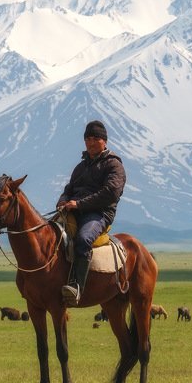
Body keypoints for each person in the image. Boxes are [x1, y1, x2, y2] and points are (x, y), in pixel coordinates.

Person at [56, 120, 126, 306]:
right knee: (50, 234)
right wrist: (63, 201)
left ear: (104, 141)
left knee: (83, 239)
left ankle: (77, 287)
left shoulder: (113, 165)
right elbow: (69, 189)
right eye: (87, 139)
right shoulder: (80, 167)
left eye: (95, 138)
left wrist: (79, 204)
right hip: (74, 210)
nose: (91, 142)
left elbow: (110, 193)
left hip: (99, 214)